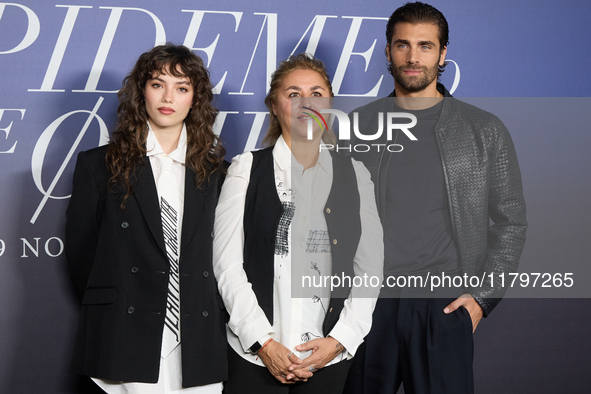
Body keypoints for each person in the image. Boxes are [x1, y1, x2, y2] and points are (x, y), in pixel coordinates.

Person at [344, 2, 527, 393]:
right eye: (402, 45)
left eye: (425, 46)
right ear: (388, 51)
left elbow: (511, 221)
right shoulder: (358, 126)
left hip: (444, 304)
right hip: (368, 303)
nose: (413, 57)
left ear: (443, 54)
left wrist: (483, 298)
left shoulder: (484, 130)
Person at [212, 53, 383, 394]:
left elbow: (370, 269)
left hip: (329, 358)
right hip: (253, 357)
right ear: (274, 106)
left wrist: (339, 340)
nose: (306, 103)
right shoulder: (246, 169)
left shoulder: (356, 173)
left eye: (317, 93)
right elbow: (227, 266)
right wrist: (263, 343)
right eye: (293, 94)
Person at [66, 44, 227, 393]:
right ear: (142, 92)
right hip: (124, 336)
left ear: (194, 99)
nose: (168, 96)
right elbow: (82, 259)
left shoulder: (219, 174)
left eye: (181, 87)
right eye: (157, 84)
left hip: (198, 340)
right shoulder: (98, 166)